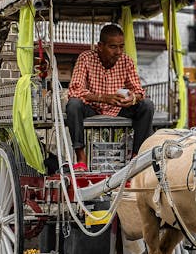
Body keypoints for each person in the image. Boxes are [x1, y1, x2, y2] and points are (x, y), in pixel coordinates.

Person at [66, 24, 154, 171]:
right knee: (73, 105)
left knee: (147, 105)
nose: (118, 52)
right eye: (113, 47)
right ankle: (81, 158)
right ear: (100, 46)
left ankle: (136, 156)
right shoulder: (86, 58)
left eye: (121, 47)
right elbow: (75, 90)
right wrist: (103, 98)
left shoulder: (126, 61)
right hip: (93, 108)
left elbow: (139, 91)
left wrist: (132, 98)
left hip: (118, 109)